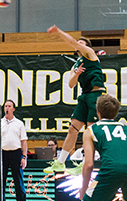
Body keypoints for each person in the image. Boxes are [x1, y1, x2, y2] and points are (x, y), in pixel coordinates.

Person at [44, 25, 106, 175]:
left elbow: (72, 42)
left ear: (87, 46)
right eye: (79, 43)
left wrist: (59, 32)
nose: (79, 45)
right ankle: (60, 163)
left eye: (82, 43)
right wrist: (77, 74)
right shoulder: (76, 64)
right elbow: (71, 84)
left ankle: (85, 164)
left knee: (90, 131)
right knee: (73, 129)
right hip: (84, 96)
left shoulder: (90, 54)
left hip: (95, 95)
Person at [1, 99, 30, 201]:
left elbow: (24, 141)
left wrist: (24, 157)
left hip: (16, 154)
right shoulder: (0, 122)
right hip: (3, 154)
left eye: (9, 106)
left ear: (13, 109)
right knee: (1, 181)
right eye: (5, 106)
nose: (7, 108)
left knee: (18, 181)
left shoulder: (19, 123)